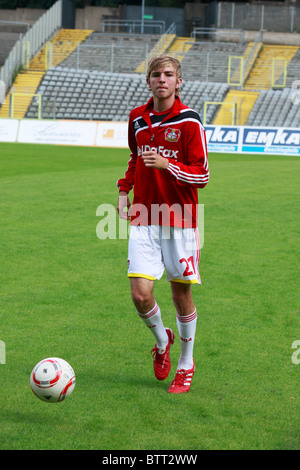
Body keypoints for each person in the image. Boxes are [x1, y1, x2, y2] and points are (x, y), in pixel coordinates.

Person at [117, 54, 209, 394]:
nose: (162, 79)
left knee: (179, 294)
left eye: (168, 74)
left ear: (178, 81)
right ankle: (162, 340)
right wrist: (124, 190)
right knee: (141, 295)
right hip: (144, 215)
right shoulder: (137, 119)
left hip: (181, 218)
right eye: (156, 74)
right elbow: (134, 158)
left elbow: (203, 175)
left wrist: (167, 166)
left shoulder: (189, 121)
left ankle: (186, 364)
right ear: (148, 81)